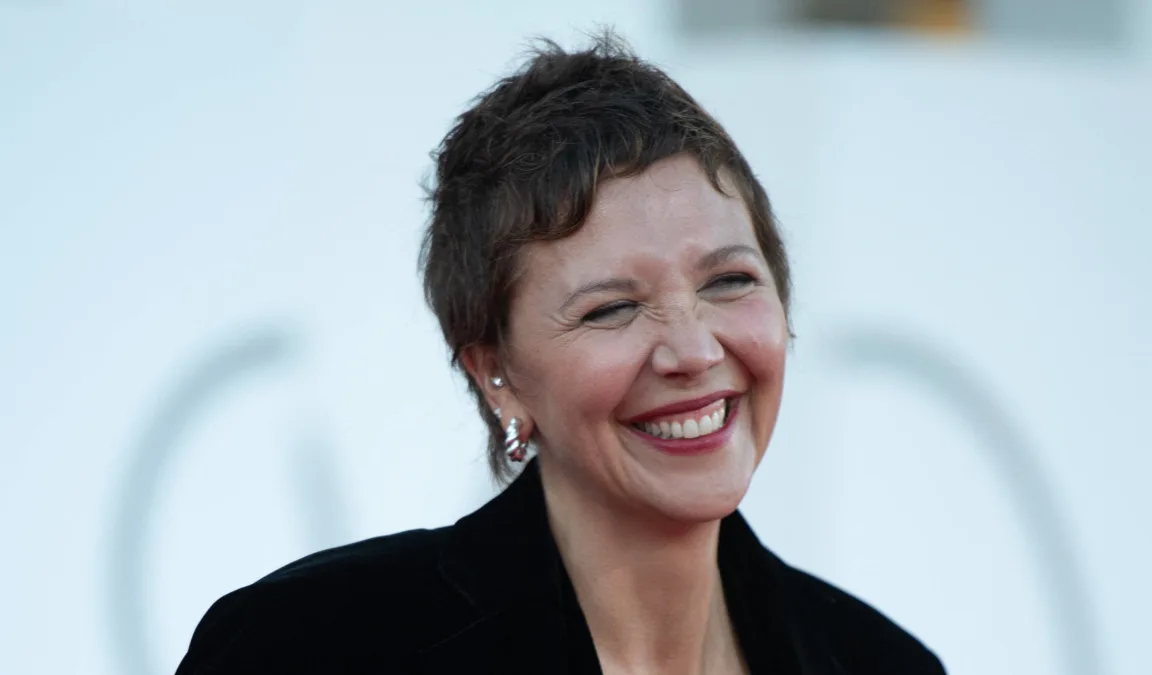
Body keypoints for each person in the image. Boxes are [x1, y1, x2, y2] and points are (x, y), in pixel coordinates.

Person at [176, 33, 945, 675]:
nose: (691, 347)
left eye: (729, 281)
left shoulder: (880, 662)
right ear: (494, 375)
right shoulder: (314, 647)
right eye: (612, 308)